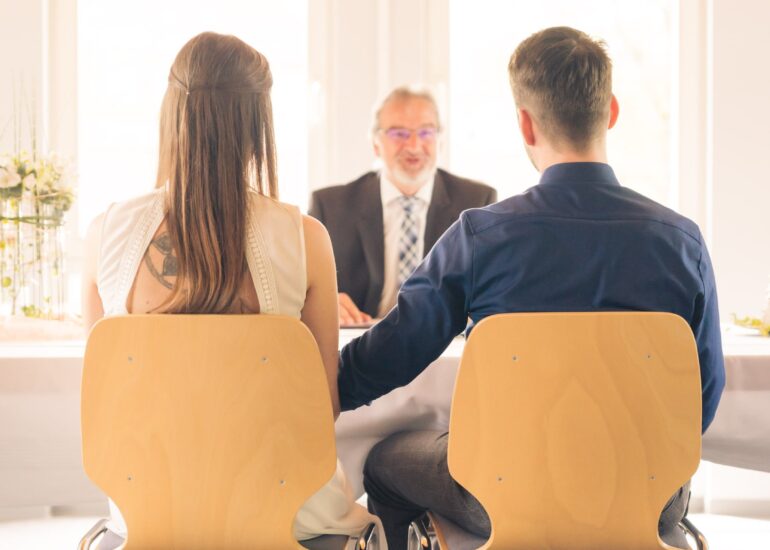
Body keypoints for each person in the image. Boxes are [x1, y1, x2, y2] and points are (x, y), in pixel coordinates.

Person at [337, 27, 725, 549]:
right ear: (610, 112)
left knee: (384, 461)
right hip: (649, 498)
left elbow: (391, 354)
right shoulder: (682, 243)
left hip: (500, 494)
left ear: (524, 122)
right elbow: (700, 397)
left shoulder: (479, 237)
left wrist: (323, 386)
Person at [81, 31, 385, 546]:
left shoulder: (105, 232)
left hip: (150, 511)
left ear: (171, 115)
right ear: (257, 127)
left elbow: (108, 401)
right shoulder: (304, 239)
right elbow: (320, 409)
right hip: (289, 512)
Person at [309, 87, 497, 325]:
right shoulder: (330, 206)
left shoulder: (477, 202)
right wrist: (322, 301)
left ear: (440, 141)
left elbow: (491, 288)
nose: (414, 145)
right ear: (376, 143)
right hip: (361, 338)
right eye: (399, 133)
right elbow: (301, 289)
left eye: (426, 132)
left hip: (442, 340)